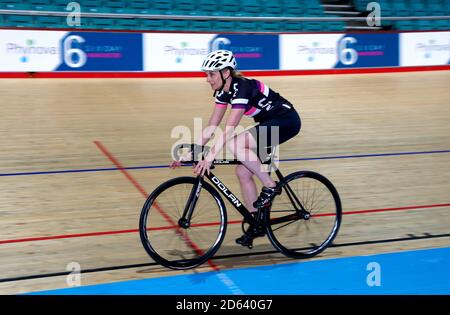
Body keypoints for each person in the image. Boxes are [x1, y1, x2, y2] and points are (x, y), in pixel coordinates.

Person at [171, 50, 301, 246]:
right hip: (268, 124)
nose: (207, 79)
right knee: (242, 171)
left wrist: (210, 157)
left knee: (236, 143)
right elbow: (212, 126)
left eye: (211, 74)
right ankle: (256, 223)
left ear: (226, 73)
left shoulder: (242, 88)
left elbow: (229, 129)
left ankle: (270, 185)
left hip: (286, 121)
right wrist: (193, 152)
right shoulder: (223, 92)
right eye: (206, 74)